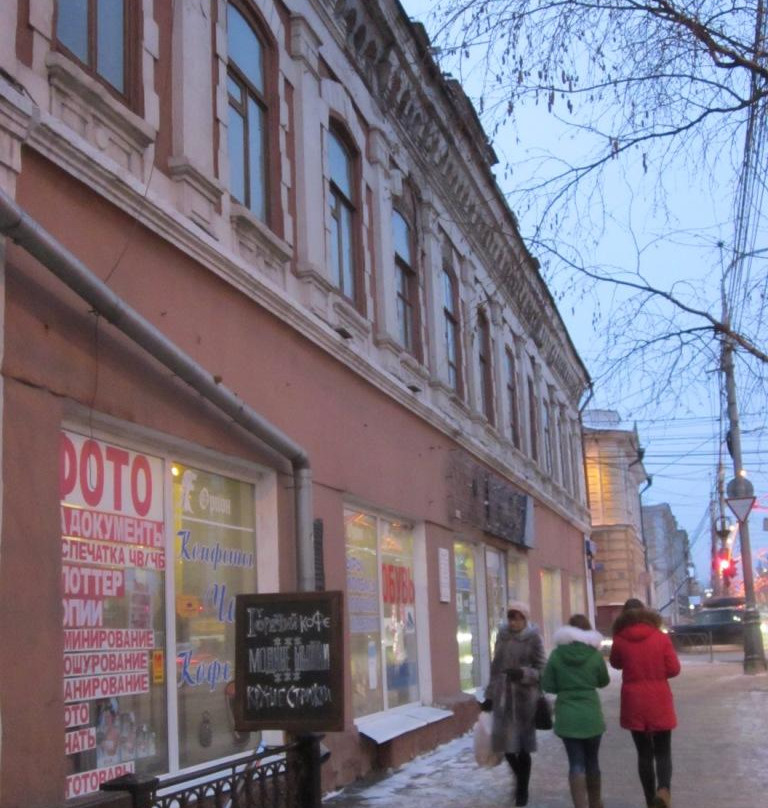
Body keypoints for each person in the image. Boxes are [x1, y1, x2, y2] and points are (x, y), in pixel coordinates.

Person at [609, 598, 681, 808]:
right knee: (663, 751)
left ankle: (650, 799)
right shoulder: (660, 637)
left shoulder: (620, 639)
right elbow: (674, 669)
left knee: (644, 754)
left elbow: (615, 663)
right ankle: (664, 791)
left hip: (634, 701)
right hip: (659, 699)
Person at [482, 601, 546, 807]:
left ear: (525, 619)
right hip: (502, 698)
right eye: (511, 617)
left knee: (523, 748)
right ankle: (521, 781)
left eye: (518, 618)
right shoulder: (502, 636)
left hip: (525, 700)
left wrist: (524, 674)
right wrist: (489, 696)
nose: (514, 622)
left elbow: (542, 669)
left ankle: (522, 792)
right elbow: (495, 667)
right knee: (506, 748)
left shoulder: (534, 638)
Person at [542, 614, 609, 808]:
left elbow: (548, 684)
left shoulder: (556, 655)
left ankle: (579, 805)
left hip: (567, 715)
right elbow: (603, 681)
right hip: (591, 714)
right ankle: (595, 803)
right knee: (592, 762)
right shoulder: (594, 655)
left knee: (576, 763)